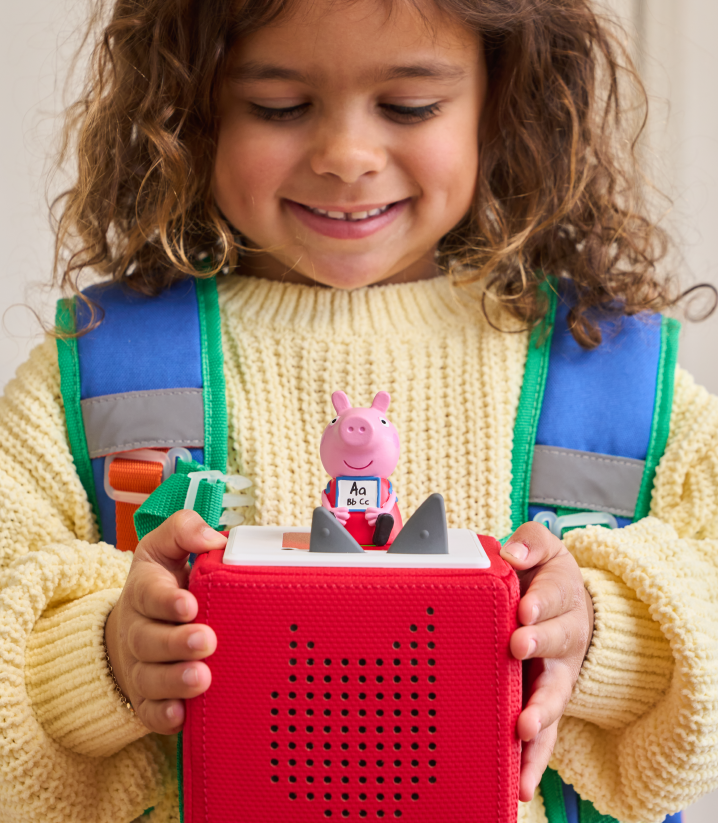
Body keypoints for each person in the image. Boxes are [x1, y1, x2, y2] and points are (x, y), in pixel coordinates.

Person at [0, 0, 716, 821]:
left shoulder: (612, 380)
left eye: (410, 106)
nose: (346, 156)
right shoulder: (92, 375)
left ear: (506, 94)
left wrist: (603, 631)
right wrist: (101, 657)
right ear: (192, 104)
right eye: (279, 106)